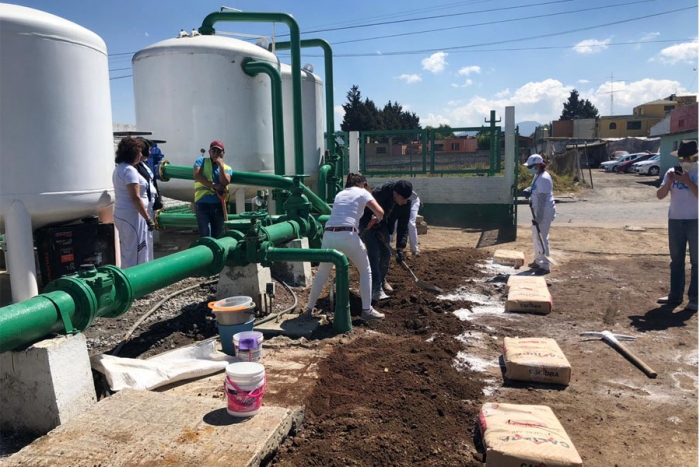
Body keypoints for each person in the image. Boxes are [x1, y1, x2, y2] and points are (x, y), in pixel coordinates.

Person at [305, 173, 386, 320]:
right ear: (362, 183)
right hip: (348, 234)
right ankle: (367, 310)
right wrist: (376, 218)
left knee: (322, 273)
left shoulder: (340, 194)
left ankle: (309, 308)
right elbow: (380, 212)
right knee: (365, 270)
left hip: (329, 234)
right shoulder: (362, 192)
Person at [656, 140, 698, 311]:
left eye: (688, 158)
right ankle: (675, 295)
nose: (684, 161)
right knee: (676, 261)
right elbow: (660, 195)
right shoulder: (671, 172)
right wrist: (669, 182)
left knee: (697, 262)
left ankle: (695, 298)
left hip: (696, 221)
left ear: (696, 157)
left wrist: (688, 182)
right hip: (675, 221)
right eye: (682, 158)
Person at [359, 180, 413, 301]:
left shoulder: (406, 203)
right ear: (395, 194)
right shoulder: (378, 193)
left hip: (383, 222)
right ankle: (375, 287)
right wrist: (373, 226)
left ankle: (382, 280)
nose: (405, 202)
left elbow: (403, 226)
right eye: (403, 198)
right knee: (374, 252)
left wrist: (400, 248)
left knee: (386, 252)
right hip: (366, 220)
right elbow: (364, 211)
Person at [112, 137, 155, 268]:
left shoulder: (120, 168)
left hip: (124, 214)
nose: (141, 154)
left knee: (129, 248)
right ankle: (136, 280)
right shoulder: (129, 170)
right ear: (132, 153)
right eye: (139, 152)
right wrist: (147, 218)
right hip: (133, 215)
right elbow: (135, 198)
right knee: (136, 250)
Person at [523, 154, 556, 274]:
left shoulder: (544, 178)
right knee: (536, 236)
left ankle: (545, 265)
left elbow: (542, 199)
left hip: (544, 211)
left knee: (542, 237)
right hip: (538, 209)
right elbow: (535, 188)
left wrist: (539, 217)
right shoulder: (538, 175)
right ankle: (538, 260)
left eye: (531, 166)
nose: (530, 168)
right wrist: (529, 190)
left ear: (537, 165)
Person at [193, 140, 232, 238]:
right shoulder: (201, 161)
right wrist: (214, 185)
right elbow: (197, 175)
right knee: (205, 234)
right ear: (209, 152)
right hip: (203, 204)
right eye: (213, 150)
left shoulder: (227, 168)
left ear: (223, 153)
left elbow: (225, 182)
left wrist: (221, 166)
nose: (215, 153)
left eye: (219, 151)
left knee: (218, 235)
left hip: (219, 205)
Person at [134, 137, 161, 261]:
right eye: (148, 149)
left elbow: (152, 182)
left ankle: (148, 263)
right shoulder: (133, 167)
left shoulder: (143, 165)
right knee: (141, 241)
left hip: (149, 205)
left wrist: (157, 199)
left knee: (148, 238)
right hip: (140, 209)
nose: (150, 152)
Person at [392, 190, 422, 257]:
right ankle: (388, 245)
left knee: (410, 223)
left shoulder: (401, 191)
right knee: (395, 222)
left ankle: (415, 250)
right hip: (402, 202)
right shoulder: (393, 195)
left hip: (413, 201)